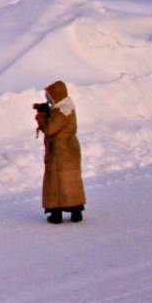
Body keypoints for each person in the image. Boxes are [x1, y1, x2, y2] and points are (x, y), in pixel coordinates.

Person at [35, 80, 85, 224]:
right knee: (70, 181)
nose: (48, 100)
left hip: (60, 152)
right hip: (68, 150)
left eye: (49, 98)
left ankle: (55, 213)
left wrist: (42, 117)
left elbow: (50, 129)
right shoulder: (66, 108)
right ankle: (76, 211)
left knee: (55, 183)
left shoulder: (61, 111)